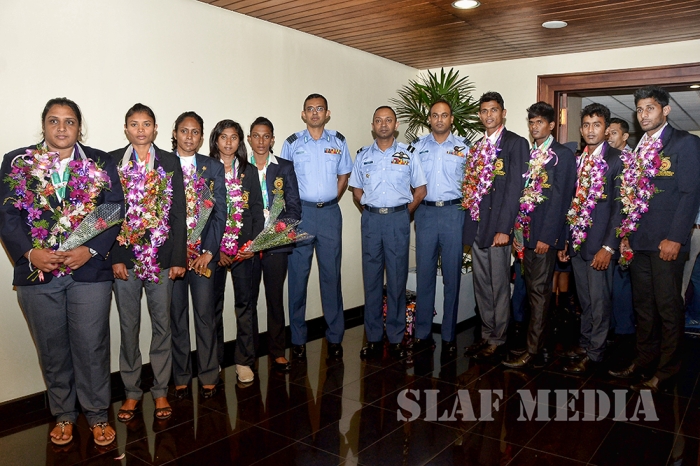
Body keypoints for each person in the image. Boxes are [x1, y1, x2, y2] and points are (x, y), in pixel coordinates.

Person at [0, 98, 124, 446]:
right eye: (53, 121)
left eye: (69, 121)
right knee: (52, 350)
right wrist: (29, 253)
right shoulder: (18, 162)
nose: (61, 127)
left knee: (92, 347)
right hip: (38, 274)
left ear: (79, 128)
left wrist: (90, 249)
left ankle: (97, 415)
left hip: (89, 272)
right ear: (43, 126)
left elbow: (114, 208)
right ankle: (64, 415)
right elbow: (6, 215)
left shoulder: (100, 161)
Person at [609, 86, 700, 393]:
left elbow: (690, 194)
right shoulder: (637, 149)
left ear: (665, 110)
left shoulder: (685, 143)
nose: (643, 114)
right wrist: (625, 235)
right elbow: (632, 198)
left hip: (666, 244)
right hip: (638, 242)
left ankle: (667, 370)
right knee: (644, 307)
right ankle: (644, 359)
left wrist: (675, 238)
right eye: (639, 109)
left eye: (650, 108)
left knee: (667, 307)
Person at [110, 103, 187, 421]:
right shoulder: (113, 162)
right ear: (126, 129)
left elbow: (179, 212)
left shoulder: (169, 161)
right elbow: (108, 213)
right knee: (128, 327)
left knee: (162, 326)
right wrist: (115, 257)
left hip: (162, 259)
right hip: (125, 260)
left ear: (155, 129)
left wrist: (178, 258)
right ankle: (131, 393)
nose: (140, 129)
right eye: (134, 124)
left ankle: (160, 390)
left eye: (146, 124)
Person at [349, 106, 427, 360]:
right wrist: (371, 211)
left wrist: (404, 214)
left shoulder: (409, 154)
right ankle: (373, 338)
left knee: (396, 279)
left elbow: (421, 190)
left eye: (388, 120)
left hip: (397, 219)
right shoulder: (362, 155)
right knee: (371, 280)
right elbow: (356, 190)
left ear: (396, 125)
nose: (383, 124)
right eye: (378, 120)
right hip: (371, 220)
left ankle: (395, 338)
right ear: (373, 125)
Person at [503, 101, 576, 369]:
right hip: (526, 235)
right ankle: (538, 344)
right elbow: (520, 195)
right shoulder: (529, 154)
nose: (535, 127)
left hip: (544, 237)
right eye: (532, 122)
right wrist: (517, 232)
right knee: (533, 291)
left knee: (539, 293)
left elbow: (561, 199)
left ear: (552, 125)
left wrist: (549, 237)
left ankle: (533, 350)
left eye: (540, 122)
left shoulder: (562, 155)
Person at [280, 94, 352, 360]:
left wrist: (332, 197)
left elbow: (344, 174)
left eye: (319, 108)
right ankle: (297, 338)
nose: (314, 113)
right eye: (309, 109)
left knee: (331, 277)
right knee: (297, 278)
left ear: (327, 113)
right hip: (302, 215)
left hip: (330, 215)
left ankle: (334, 337)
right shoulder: (292, 143)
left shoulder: (338, 141)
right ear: (303, 114)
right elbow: (283, 180)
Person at [462, 92, 529, 360]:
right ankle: (486, 333)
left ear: (503, 113)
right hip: (478, 226)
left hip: (498, 228)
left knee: (498, 284)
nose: (489, 115)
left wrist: (505, 229)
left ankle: (499, 337)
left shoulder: (515, 143)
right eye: (484, 111)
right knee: (481, 283)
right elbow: (471, 189)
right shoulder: (477, 147)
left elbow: (514, 190)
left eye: (494, 110)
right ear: (480, 115)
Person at [557, 103, 623, 374]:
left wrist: (609, 246)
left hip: (600, 246)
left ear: (606, 129)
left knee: (599, 301)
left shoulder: (617, 160)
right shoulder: (578, 160)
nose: (591, 130)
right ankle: (585, 344)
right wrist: (566, 239)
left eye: (597, 125)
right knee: (584, 300)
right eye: (586, 125)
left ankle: (596, 352)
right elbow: (570, 203)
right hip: (577, 243)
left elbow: (620, 208)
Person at [169, 112, 227, 396]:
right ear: (175, 134)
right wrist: (174, 253)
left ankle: (208, 373)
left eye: (195, 132)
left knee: (205, 315)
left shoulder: (212, 166)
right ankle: (181, 374)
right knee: (176, 316)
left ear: (202, 137)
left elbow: (220, 213)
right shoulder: (164, 164)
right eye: (184, 131)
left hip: (203, 256)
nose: (189, 136)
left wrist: (209, 251)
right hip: (174, 258)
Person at [410, 99, 468, 356]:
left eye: (444, 115)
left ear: (451, 119)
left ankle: (449, 334)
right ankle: (422, 333)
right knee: (424, 274)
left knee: (452, 276)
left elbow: (473, 184)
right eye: (435, 115)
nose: (440, 119)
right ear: (429, 119)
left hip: (454, 213)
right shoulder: (416, 147)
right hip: (425, 214)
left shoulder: (464, 148)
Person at [210, 119, 264, 381]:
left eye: (234, 137)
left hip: (244, 249)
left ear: (240, 142)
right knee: (213, 306)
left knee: (245, 305)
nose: (228, 142)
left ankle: (244, 361)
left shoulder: (248, 171)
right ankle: (214, 360)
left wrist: (253, 244)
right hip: (213, 251)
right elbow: (201, 213)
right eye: (224, 137)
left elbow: (257, 210)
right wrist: (213, 249)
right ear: (216, 140)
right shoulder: (206, 169)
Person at [249, 117, 301, 374]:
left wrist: (277, 231)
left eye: (266, 136)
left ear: (272, 139)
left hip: (276, 244)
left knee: (275, 299)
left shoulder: (284, 167)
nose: (261, 141)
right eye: (256, 136)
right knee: (248, 302)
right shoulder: (239, 167)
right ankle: (248, 354)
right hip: (247, 246)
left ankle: (278, 352)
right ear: (249, 139)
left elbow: (294, 207)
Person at [606, 118, 636, 341]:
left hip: (626, 228)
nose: (609, 136)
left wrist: (626, 232)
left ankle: (624, 330)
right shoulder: (605, 159)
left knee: (622, 279)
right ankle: (611, 326)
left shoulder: (631, 161)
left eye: (614, 133)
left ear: (625, 136)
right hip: (607, 228)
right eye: (608, 132)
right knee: (610, 282)